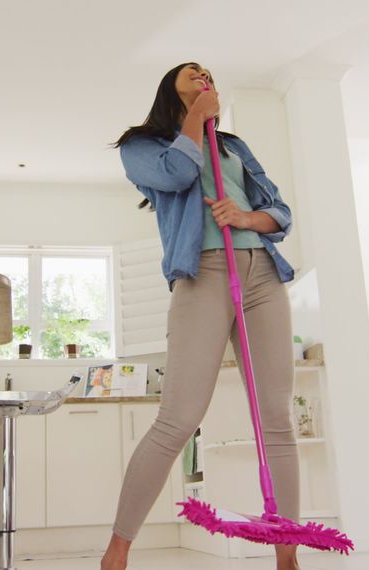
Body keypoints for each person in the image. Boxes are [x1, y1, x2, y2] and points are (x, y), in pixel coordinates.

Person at [103, 62, 301, 570]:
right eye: (193, 71)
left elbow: (278, 211)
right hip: (203, 274)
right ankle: (117, 551)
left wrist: (245, 217)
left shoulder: (233, 145)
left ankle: (287, 555)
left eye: (209, 72)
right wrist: (196, 117)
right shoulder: (141, 145)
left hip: (261, 274)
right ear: (171, 85)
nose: (205, 75)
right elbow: (178, 172)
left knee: (276, 418)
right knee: (178, 419)